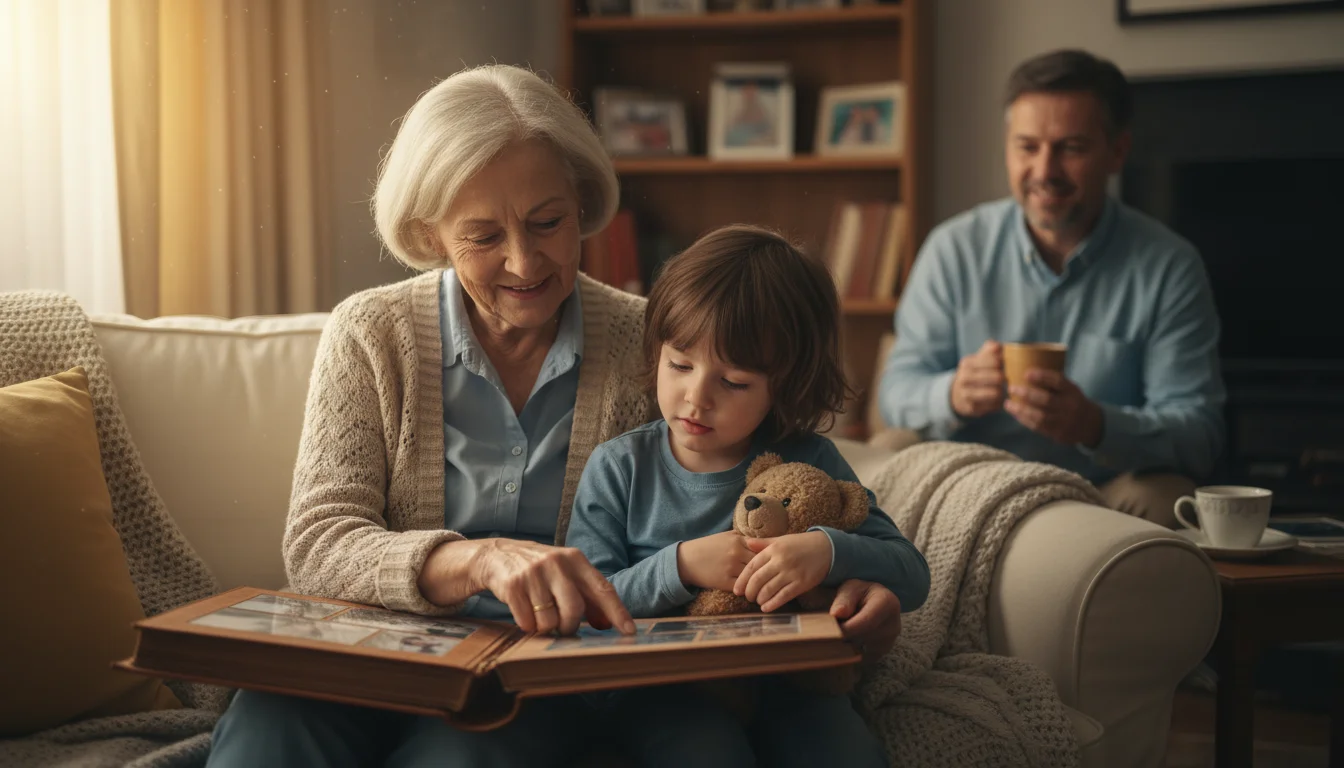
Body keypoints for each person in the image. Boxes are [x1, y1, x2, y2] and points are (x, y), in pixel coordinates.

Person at [207, 65, 906, 767]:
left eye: (548, 222)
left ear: (582, 203)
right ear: (431, 235)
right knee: (268, 729)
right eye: (483, 236)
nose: (523, 260)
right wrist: (475, 560)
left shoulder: (656, 347)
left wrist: (847, 576)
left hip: (538, 677)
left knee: (470, 756)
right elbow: (319, 543)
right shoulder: (369, 333)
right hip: (373, 652)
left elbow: (742, 501)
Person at [566, 225, 930, 768]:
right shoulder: (620, 467)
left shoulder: (808, 460)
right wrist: (682, 565)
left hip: (790, 684)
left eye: (734, 382)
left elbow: (911, 574)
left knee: (847, 754)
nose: (696, 397)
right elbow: (585, 608)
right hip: (665, 690)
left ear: (785, 386)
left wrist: (827, 551)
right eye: (680, 364)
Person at [879, 49, 1226, 528]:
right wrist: (952, 394)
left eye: (1071, 147)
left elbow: (1200, 434)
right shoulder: (953, 249)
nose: (1045, 171)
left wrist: (1096, 425)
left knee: (1168, 495)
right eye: (1028, 146)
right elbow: (895, 393)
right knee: (889, 449)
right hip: (967, 486)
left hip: (1099, 494)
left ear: (1117, 151)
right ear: (1007, 146)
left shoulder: (1169, 266)